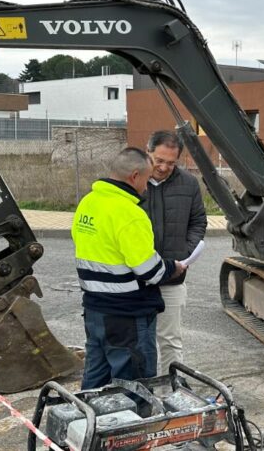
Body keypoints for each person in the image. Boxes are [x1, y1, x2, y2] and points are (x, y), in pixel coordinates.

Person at [73, 147, 185, 389]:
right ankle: (133, 425)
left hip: (94, 310)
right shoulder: (130, 214)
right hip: (127, 317)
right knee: (136, 386)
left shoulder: (88, 203)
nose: (147, 186)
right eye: (146, 179)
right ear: (135, 176)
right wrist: (173, 268)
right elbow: (149, 271)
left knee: (94, 380)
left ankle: (89, 424)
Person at [143, 131, 208, 375]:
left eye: (171, 163)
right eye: (158, 160)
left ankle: (172, 388)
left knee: (170, 339)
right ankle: (141, 392)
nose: (163, 167)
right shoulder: (132, 180)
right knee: (138, 339)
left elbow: (198, 221)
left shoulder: (188, 184)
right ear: (147, 151)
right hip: (135, 278)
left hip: (172, 276)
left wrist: (186, 252)